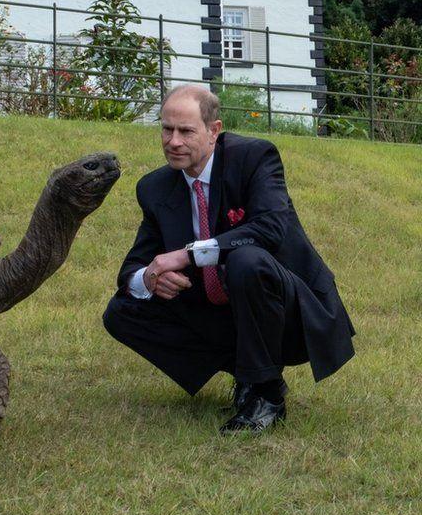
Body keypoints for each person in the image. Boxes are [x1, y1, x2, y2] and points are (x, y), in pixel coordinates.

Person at [102, 84, 355, 434]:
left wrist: (188, 254)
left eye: (186, 131)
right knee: (121, 311)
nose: (173, 141)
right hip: (224, 311)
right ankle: (249, 374)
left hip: (291, 312)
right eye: (166, 129)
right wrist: (149, 278)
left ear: (214, 131)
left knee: (246, 260)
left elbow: (269, 230)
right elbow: (133, 268)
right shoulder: (155, 188)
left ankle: (266, 395)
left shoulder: (254, 158)